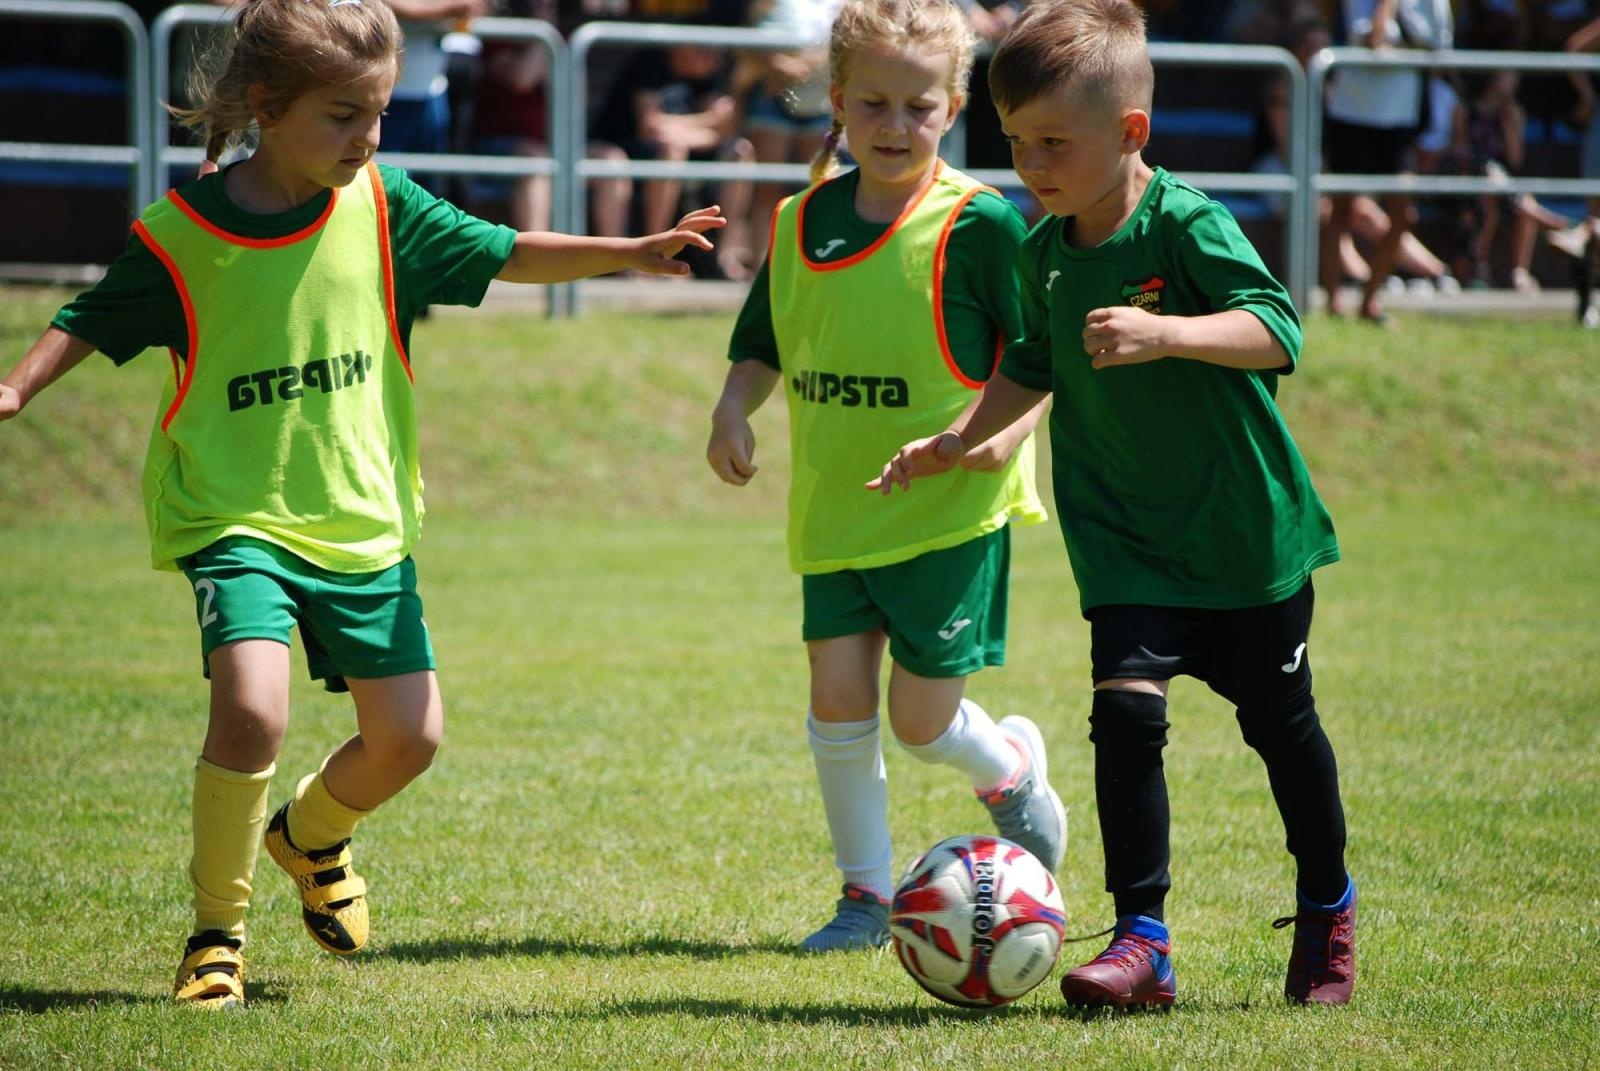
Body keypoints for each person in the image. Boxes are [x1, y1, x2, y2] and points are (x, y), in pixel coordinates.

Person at [0, 0, 723, 1011]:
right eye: (343, 115)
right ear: (267, 105)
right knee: (251, 710)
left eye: (377, 113)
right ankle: (216, 936)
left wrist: (626, 250)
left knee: (410, 741)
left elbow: (504, 248)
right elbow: (86, 316)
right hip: (234, 515)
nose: (367, 137)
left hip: (361, 516)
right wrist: (19, 387)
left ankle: (311, 835)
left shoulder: (386, 207)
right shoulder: (181, 236)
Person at [871, 0, 1355, 1009]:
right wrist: (960, 438)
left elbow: (1277, 331)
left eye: (1053, 142)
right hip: (1124, 542)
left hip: (1241, 539)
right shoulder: (1042, 248)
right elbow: (1033, 363)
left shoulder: (1185, 223)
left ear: (1128, 132)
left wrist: (1167, 332)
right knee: (1124, 723)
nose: (1031, 164)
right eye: (1013, 143)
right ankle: (1143, 941)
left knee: (1280, 729)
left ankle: (1326, 909)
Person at [705, 0, 1065, 954]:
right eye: (873, 105)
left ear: (953, 107)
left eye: (920, 107)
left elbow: (1041, 358)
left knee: (919, 720)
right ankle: (865, 898)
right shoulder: (796, 221)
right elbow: (762, 342)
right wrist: (734, 408)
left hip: (947, 510)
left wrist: (998, 434)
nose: (896, 126)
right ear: (837, 101)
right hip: (833, 511)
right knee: (837, 701)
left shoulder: (979, 223)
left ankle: (1012, 766)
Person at [1318, 0, 1451, 323]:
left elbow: (1438, 49)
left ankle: (1369, 301)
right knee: (1341, 209)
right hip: (1351, 114)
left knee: (1402, 211)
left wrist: (1400, 44)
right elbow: (1372, 38)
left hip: (1400, 118)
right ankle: (1332, 302)